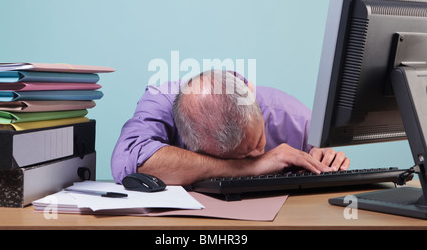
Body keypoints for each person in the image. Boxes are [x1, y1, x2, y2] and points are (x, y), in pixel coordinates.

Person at [111, 70, 350, 186]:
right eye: (243, 154)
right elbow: (129, 162)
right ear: (195, 144)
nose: (258, 152)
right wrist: (254, 166)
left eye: (258, 141)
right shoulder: (160, 101)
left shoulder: (296, 119)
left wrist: (331, 162)